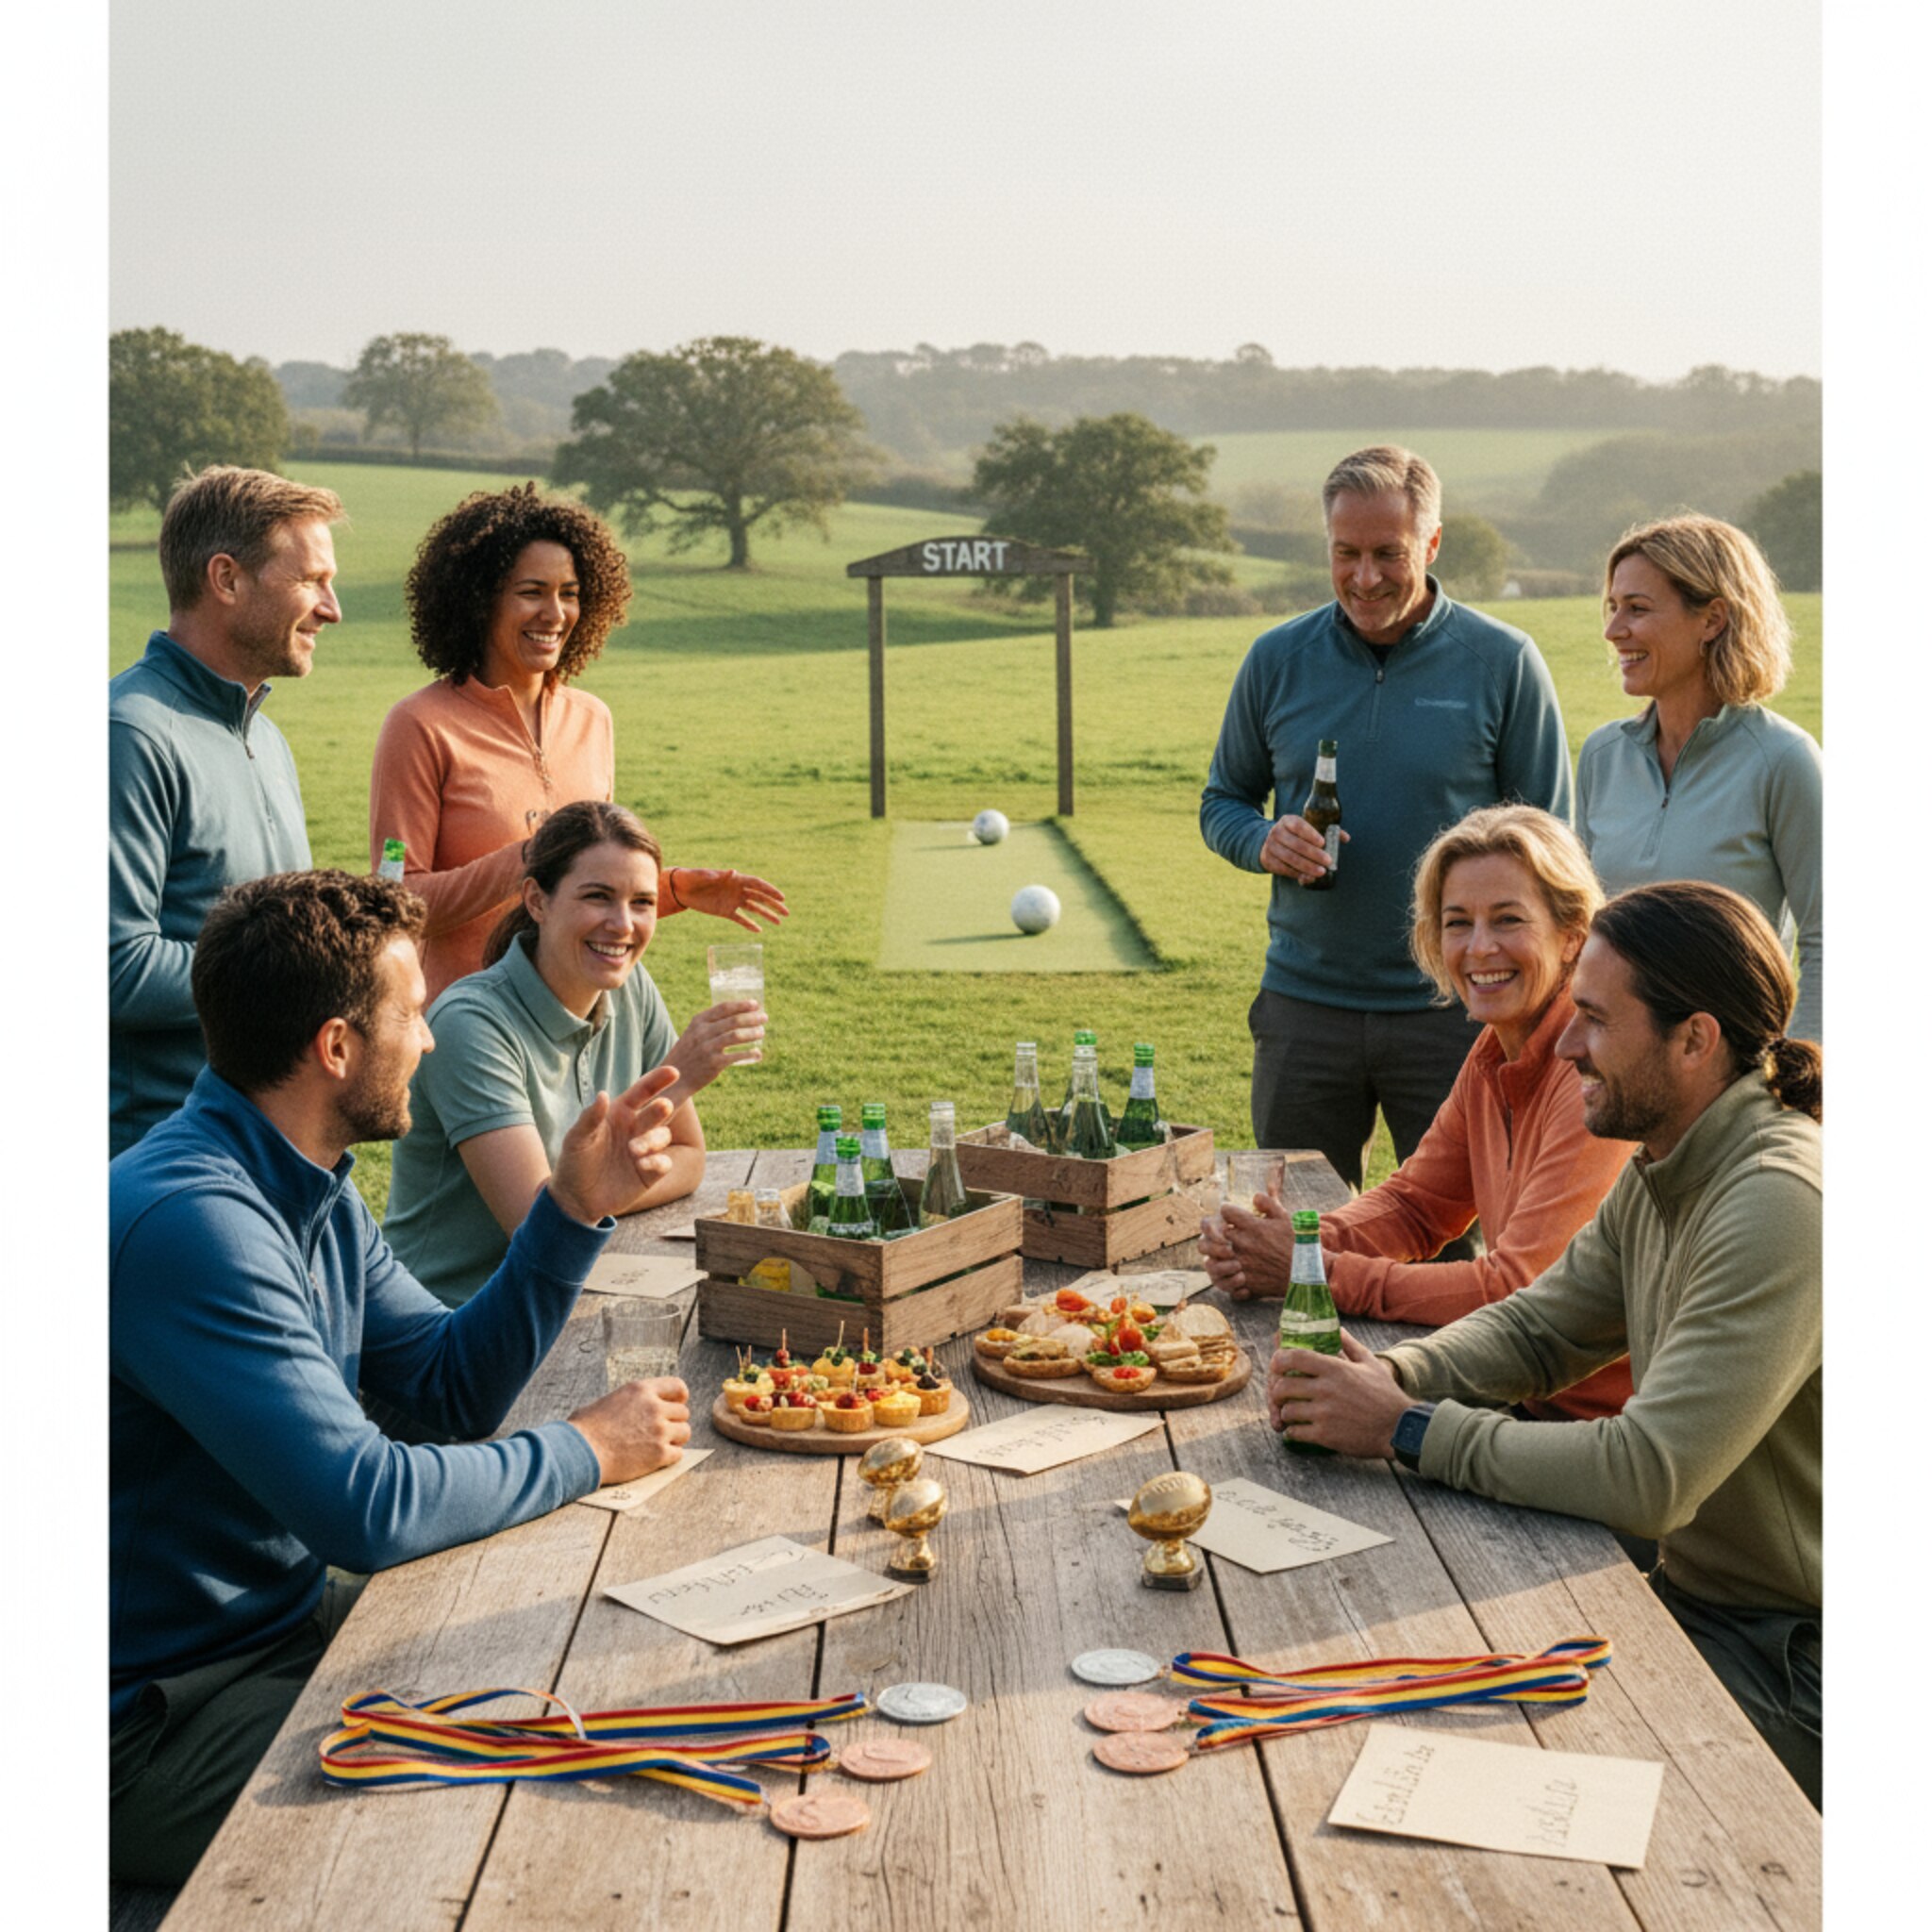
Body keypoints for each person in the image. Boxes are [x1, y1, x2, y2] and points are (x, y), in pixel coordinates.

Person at [110, 869, 693, 1884]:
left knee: (564, 1658)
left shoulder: (304, 1185)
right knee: (502, 1790)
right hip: (149, 1722)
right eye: (412, 1013)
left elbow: (445, 1388)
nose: (427, 1038)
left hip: (273, 1632)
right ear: (336, 1046)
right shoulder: (193, 1223)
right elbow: (366, 1506)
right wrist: (586, 1446)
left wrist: (567, 1209)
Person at [1267, 881, 1822, 1807]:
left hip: (1796, 1657)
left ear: (1694, 1039)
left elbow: (1649, 1475)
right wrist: (1387, 1372)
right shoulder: (1667, 1159)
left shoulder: (1776, 1201)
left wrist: (1404, 1427)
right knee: (1403, 1701)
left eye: (1593, 1019)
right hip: (1702, 1604)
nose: (1564, 1042)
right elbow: (1539, 1328)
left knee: (1463, 1771)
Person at [1200, 445, 1573, 1211]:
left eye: (1388, 555)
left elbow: (1554, 847)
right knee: (1292, 1239)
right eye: (1347, 554)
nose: (1365, 578)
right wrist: (1261, 838)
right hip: (1304, 1010)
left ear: (1432, 546)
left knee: (1452, 1245)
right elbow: (1222, 801)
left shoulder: (1502, 661)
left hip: (1456, 1014)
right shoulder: (1276, 659)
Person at [1203, 806, 1637, 1422]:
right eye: (1457, 923)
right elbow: (1416, 1205)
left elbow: (1516, 1289)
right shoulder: (1496, 1049)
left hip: (1589, 1429)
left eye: (1508, 920)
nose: (1479, 947)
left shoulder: (1592, 1073)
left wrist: (1314, 1270)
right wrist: (1290, 1243)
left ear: (1573, 935)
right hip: (1509, 1390)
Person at [369, 483, 787, 1004]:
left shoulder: (592, 719)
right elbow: (395, 899)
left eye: (569, 593)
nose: (555, 613)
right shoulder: (419, 725)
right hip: (464, 1024)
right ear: (480, 600)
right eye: (531, 592)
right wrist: (527, 856)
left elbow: (587, 884)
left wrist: (674, 888)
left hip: (574, 1023)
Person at [384, 799, 762, 1308]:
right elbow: (538, 1223)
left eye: (643, 902)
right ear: (537, 902)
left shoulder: (631, 989)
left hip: (574, 1292)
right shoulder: (470, 1025)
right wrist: (681, 1078)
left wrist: (594, 1199)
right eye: (598, 896)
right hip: (452, 1326)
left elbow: (689, 1158)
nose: (623, 925)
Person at [109, 465, 344, 1154]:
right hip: (160, 1163)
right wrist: (305, 970)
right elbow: (115, 969)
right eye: (311, 581)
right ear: (226, 579)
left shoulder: (266, 738)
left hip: (268, 1149)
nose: (332, 609)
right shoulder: (130, 735)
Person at [1580, 513, 1822, 1044]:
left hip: (1737, 1075)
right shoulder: (1602, 756)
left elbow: (1828, 937)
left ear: (1712, 619)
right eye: (1613, 607)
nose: (1613, 630)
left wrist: (1800, 1073)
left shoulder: (1784, 760)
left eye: (1637, 609)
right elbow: (1581, 931)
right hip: (1616, 1074)